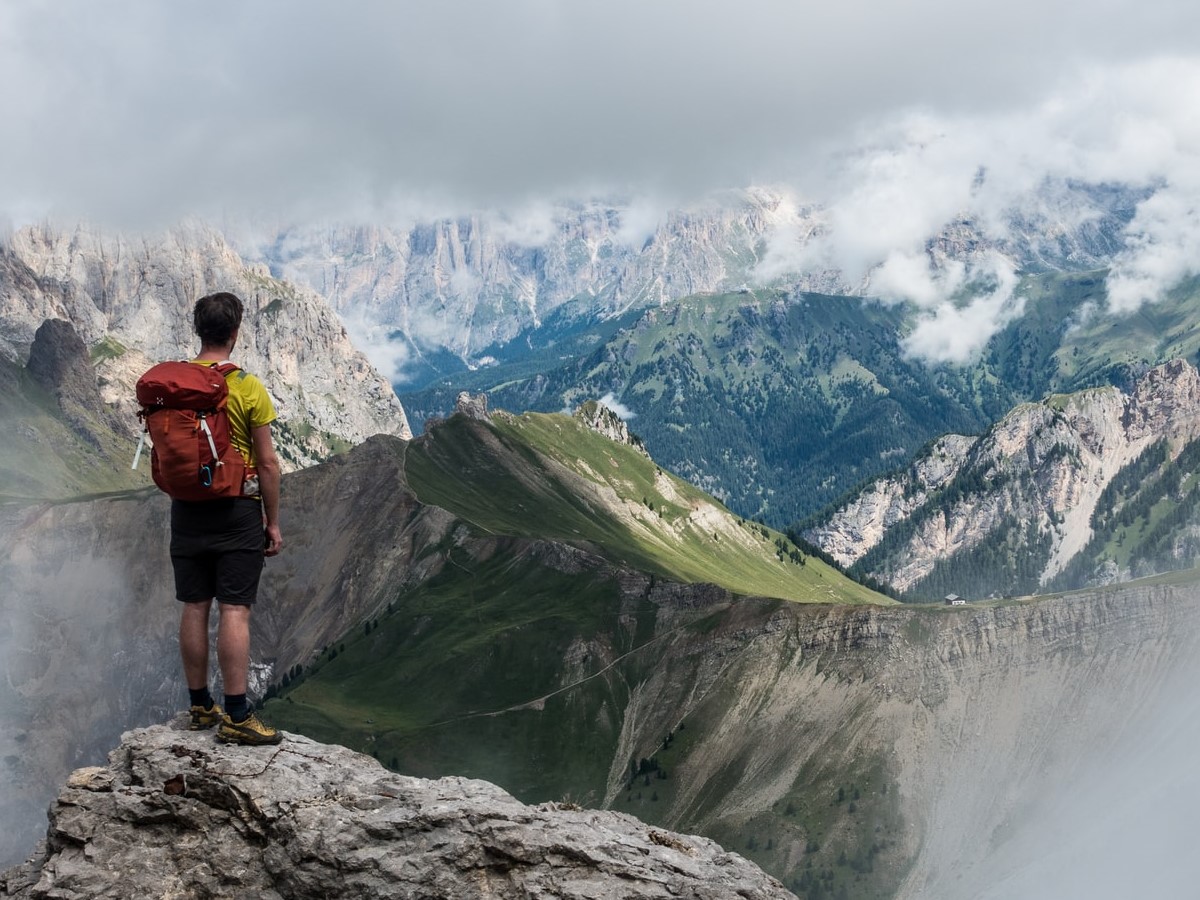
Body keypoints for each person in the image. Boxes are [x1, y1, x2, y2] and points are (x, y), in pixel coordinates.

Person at [173, 291, 284, 745]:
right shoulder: (247, 387)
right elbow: (269, 463)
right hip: (237, 508)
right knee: (234, 608)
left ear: (198, 330)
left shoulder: (174, 385)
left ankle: (200, 707)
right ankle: (237, 715)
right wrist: (271, 523)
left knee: (195, 605)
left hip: (186, 510)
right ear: (235, 333)